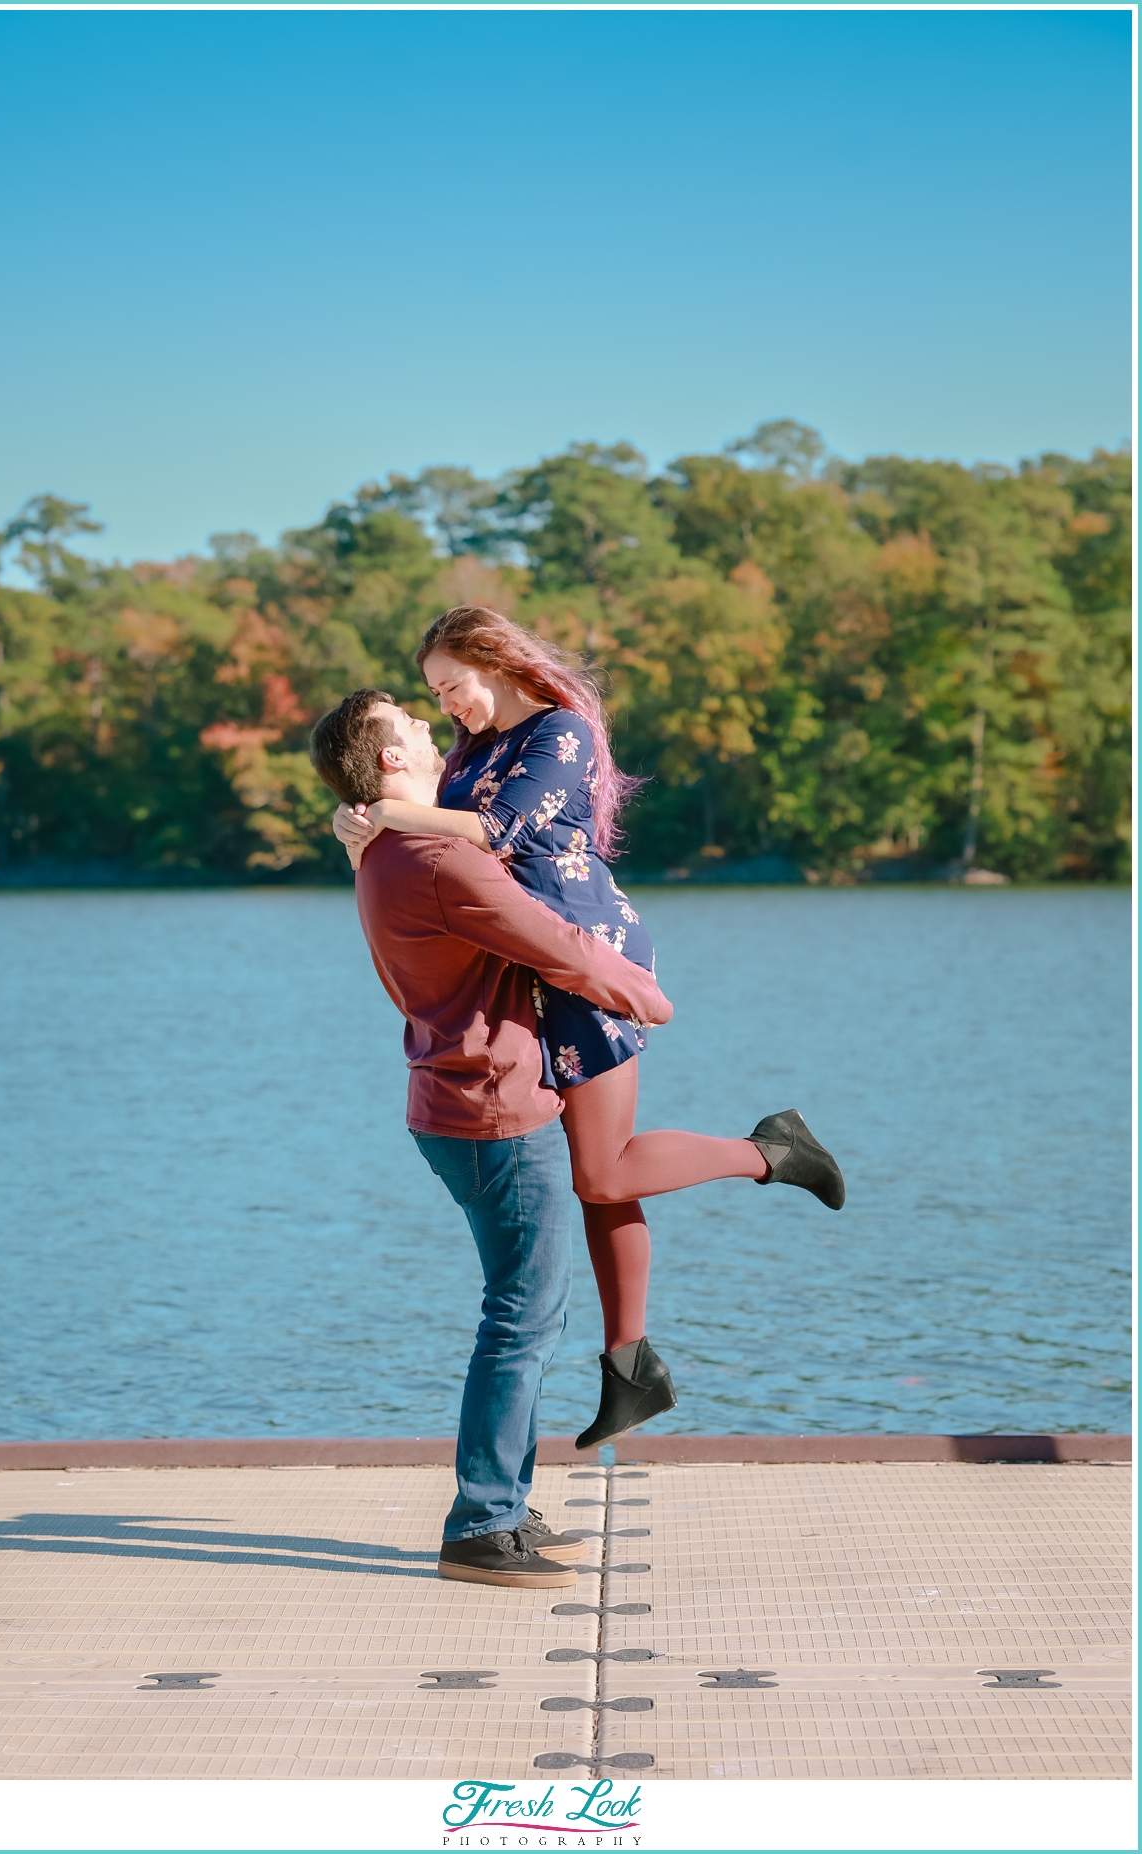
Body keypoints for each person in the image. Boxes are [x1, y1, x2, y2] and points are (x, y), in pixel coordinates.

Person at [330, 606, 845, 1452]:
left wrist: (386, 814)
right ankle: (630, 1370)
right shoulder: (469, 749)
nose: (446, 705)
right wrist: (360, 823)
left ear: (492, 663)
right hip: (531, 968)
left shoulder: (558, 734)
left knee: (603, 1172)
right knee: (597, 1176)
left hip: (586, 958)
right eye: (432, 694)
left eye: (449, 685)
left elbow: (493, 834)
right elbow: (432, 836)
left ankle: (774, 1152)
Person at [309, 686, 676, 1589]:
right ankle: (481, 1526)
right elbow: (557, 944)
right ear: (391, 759)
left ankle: (504, 1504)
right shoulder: (437, 860)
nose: (432, 727)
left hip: (459, 1104)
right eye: (412, 723)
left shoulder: (395, 848)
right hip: (497, 1113)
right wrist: (644, 995)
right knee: (521, 1321)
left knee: (521, 1316)